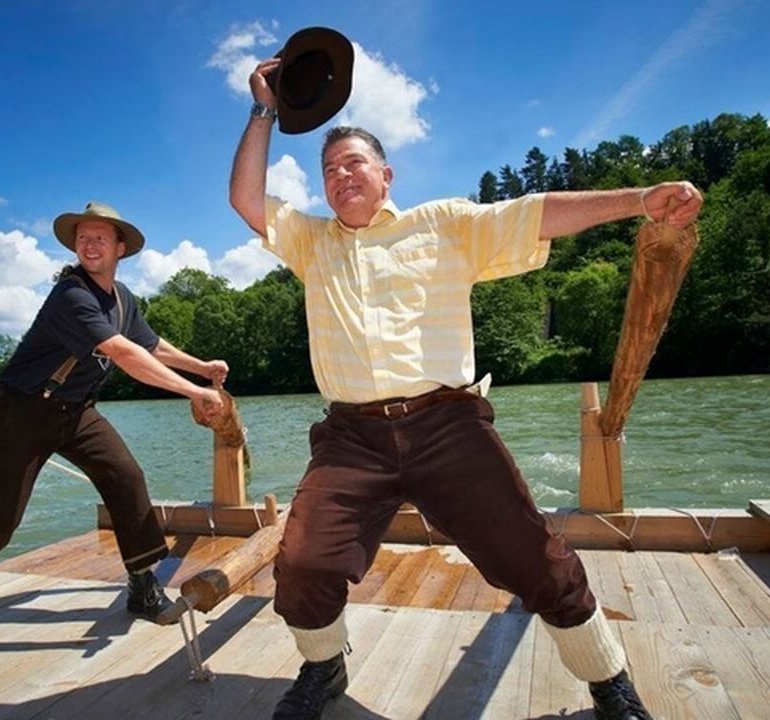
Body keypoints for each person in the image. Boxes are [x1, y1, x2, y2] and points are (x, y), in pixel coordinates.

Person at [229, 57, 702, 720]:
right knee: (304, 562)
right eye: (329, 170)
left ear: (386, 174)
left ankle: (608, 683)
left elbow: (534, 213)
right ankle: (324, 666)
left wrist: (638, 200)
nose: (340, 176)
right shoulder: (313, 244)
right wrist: (263, 108)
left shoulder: (443, 224)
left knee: (534, 558)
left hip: (447, 427)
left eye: (354, 163)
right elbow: (247, 200)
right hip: (350, 438)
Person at [0, 201, 227, 632]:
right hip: (23, 409)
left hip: (75, 410)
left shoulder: (123, 300)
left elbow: (149, 344)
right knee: (2, 517)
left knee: (126, 477)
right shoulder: (71, 294)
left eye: (100, 238)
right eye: (83, 238)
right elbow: (121, 352)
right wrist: (192, 390)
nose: (90, 245)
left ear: (120, 248)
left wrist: (200, 367)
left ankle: (142, 585)